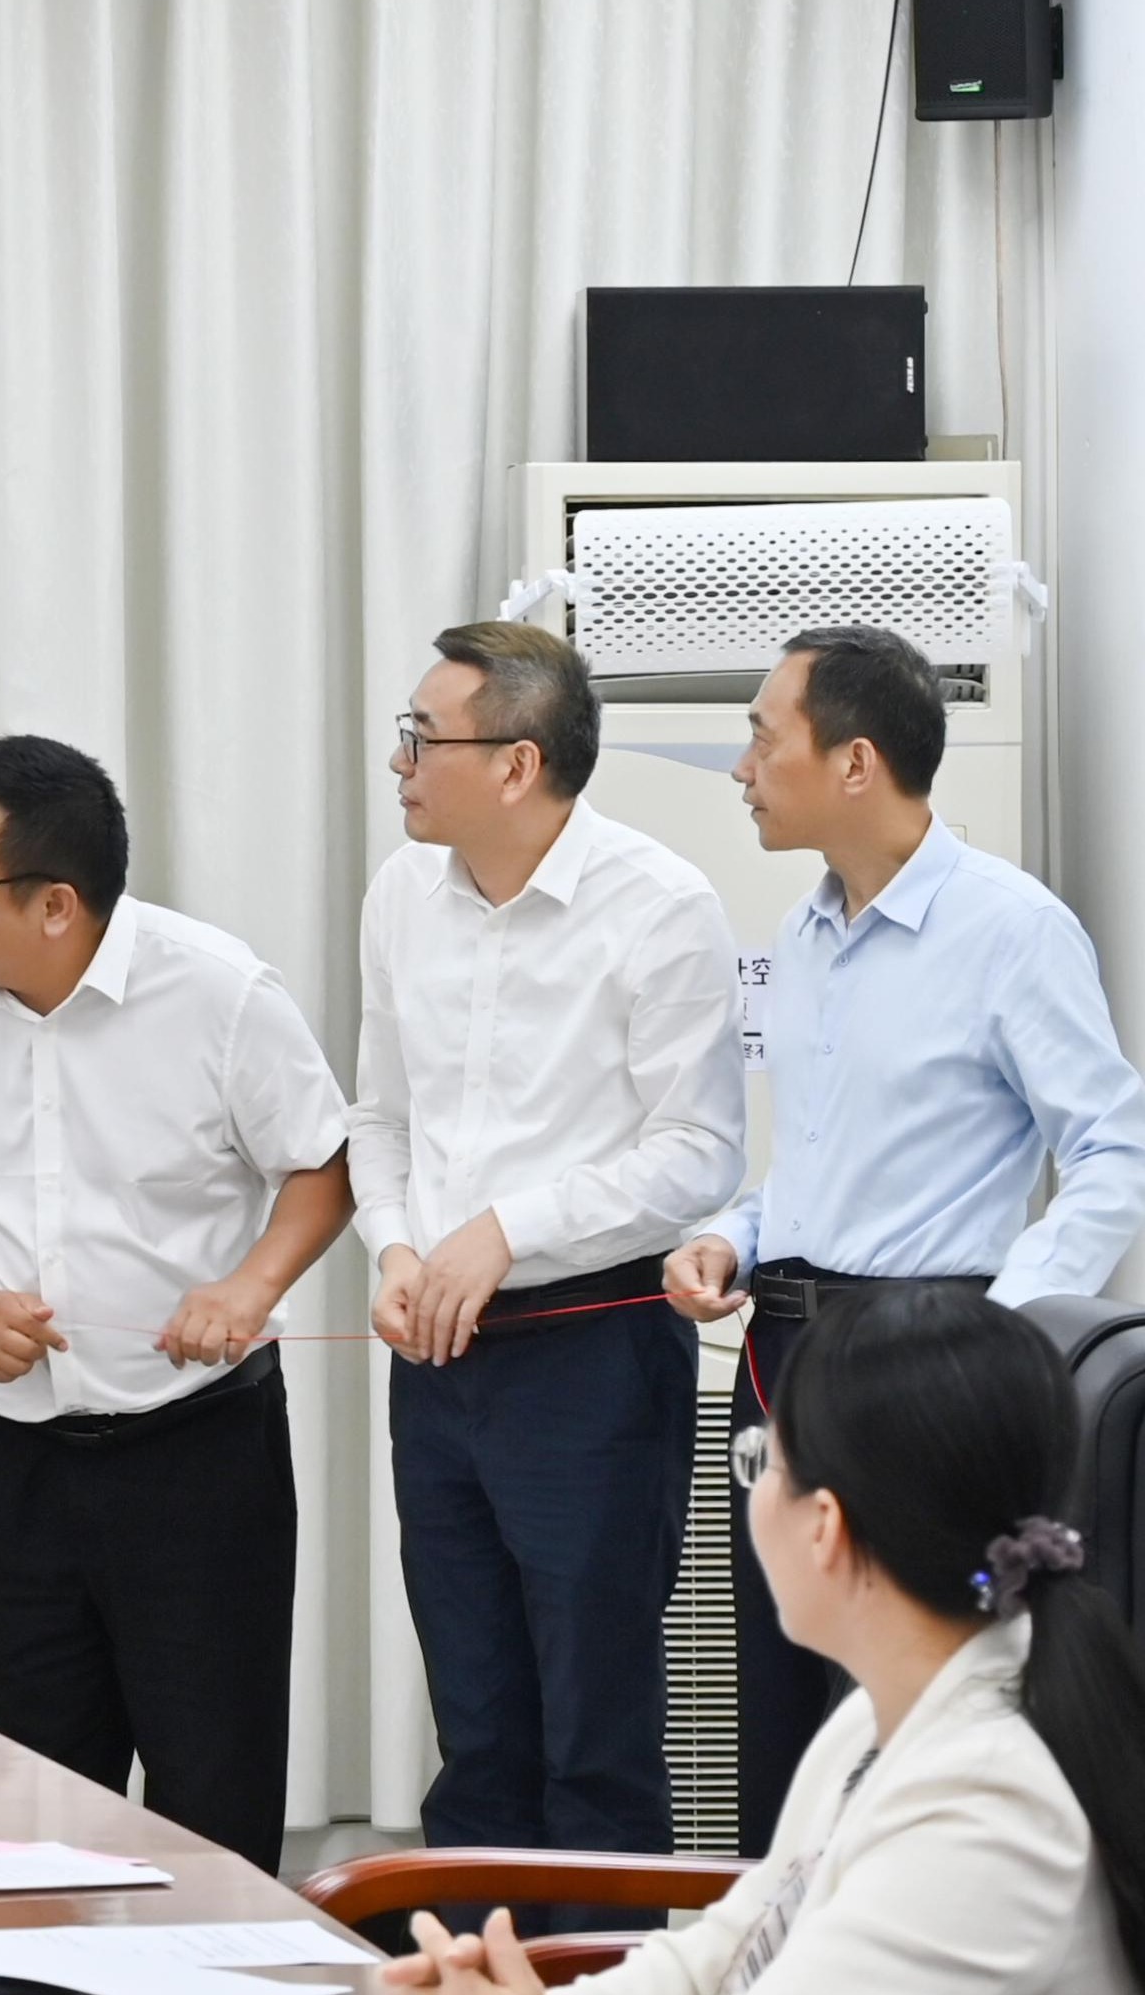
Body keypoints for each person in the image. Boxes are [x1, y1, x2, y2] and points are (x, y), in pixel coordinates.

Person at [666, 622, 1145, 1851]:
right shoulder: (802, 931)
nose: (740, 767)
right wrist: (730, 1234)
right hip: (783, 1355)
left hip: (922, 1363)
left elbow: (1111, 1150)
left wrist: (1001, 1325)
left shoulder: (1010, 927)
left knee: (891, 1718)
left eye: (761, 737)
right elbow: (814, 1166)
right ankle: (774, 1939)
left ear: (854, 761)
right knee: (773, 1707)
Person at [0, 733, 351, 1875]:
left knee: (211, 1796)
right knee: (32, 1801)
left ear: (55, 904)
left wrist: (249, 1285)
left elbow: (322, 1163)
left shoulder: (219, 991)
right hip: (17, 1458)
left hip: (197, 1458)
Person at [375, 1288, 1145, 1995]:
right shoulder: (880, 1715)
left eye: (759, 1463)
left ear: (825, 1526)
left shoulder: (982, 1816)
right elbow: (720, 1952)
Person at [352, 623, 745, 1865]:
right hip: (434, 1355)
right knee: (473, 1730)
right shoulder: (400, 891)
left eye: (422, 736)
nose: (399, 761)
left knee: (594, 1735)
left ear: (515, 763)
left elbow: (697, 1152)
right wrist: (394, 1246)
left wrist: (505, 1230)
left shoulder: (659, 903)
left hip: (590, 1356)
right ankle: (471, 1951)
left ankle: (595, 1955)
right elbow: (379, 1114)